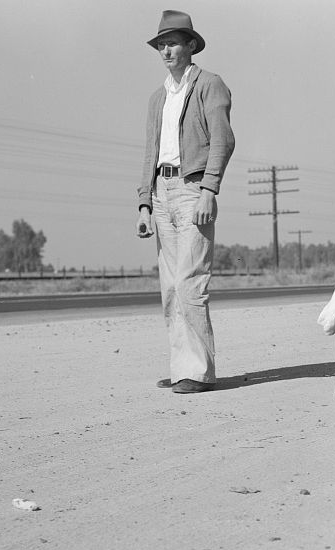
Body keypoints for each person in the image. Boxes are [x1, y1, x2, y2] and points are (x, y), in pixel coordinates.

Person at [135, 10, 235, 394]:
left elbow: (223, 140)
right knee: (170, 288)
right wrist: (144, 203)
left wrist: (210, 189)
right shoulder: (158, 97)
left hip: (193, 190)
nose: (166, 50)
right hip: (161, 193)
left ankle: (198, 372)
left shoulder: (210, 85)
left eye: (173, 42)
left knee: (190, 281)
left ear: (192, 45)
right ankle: (182, 368)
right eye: (161, 44)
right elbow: (150, 152)